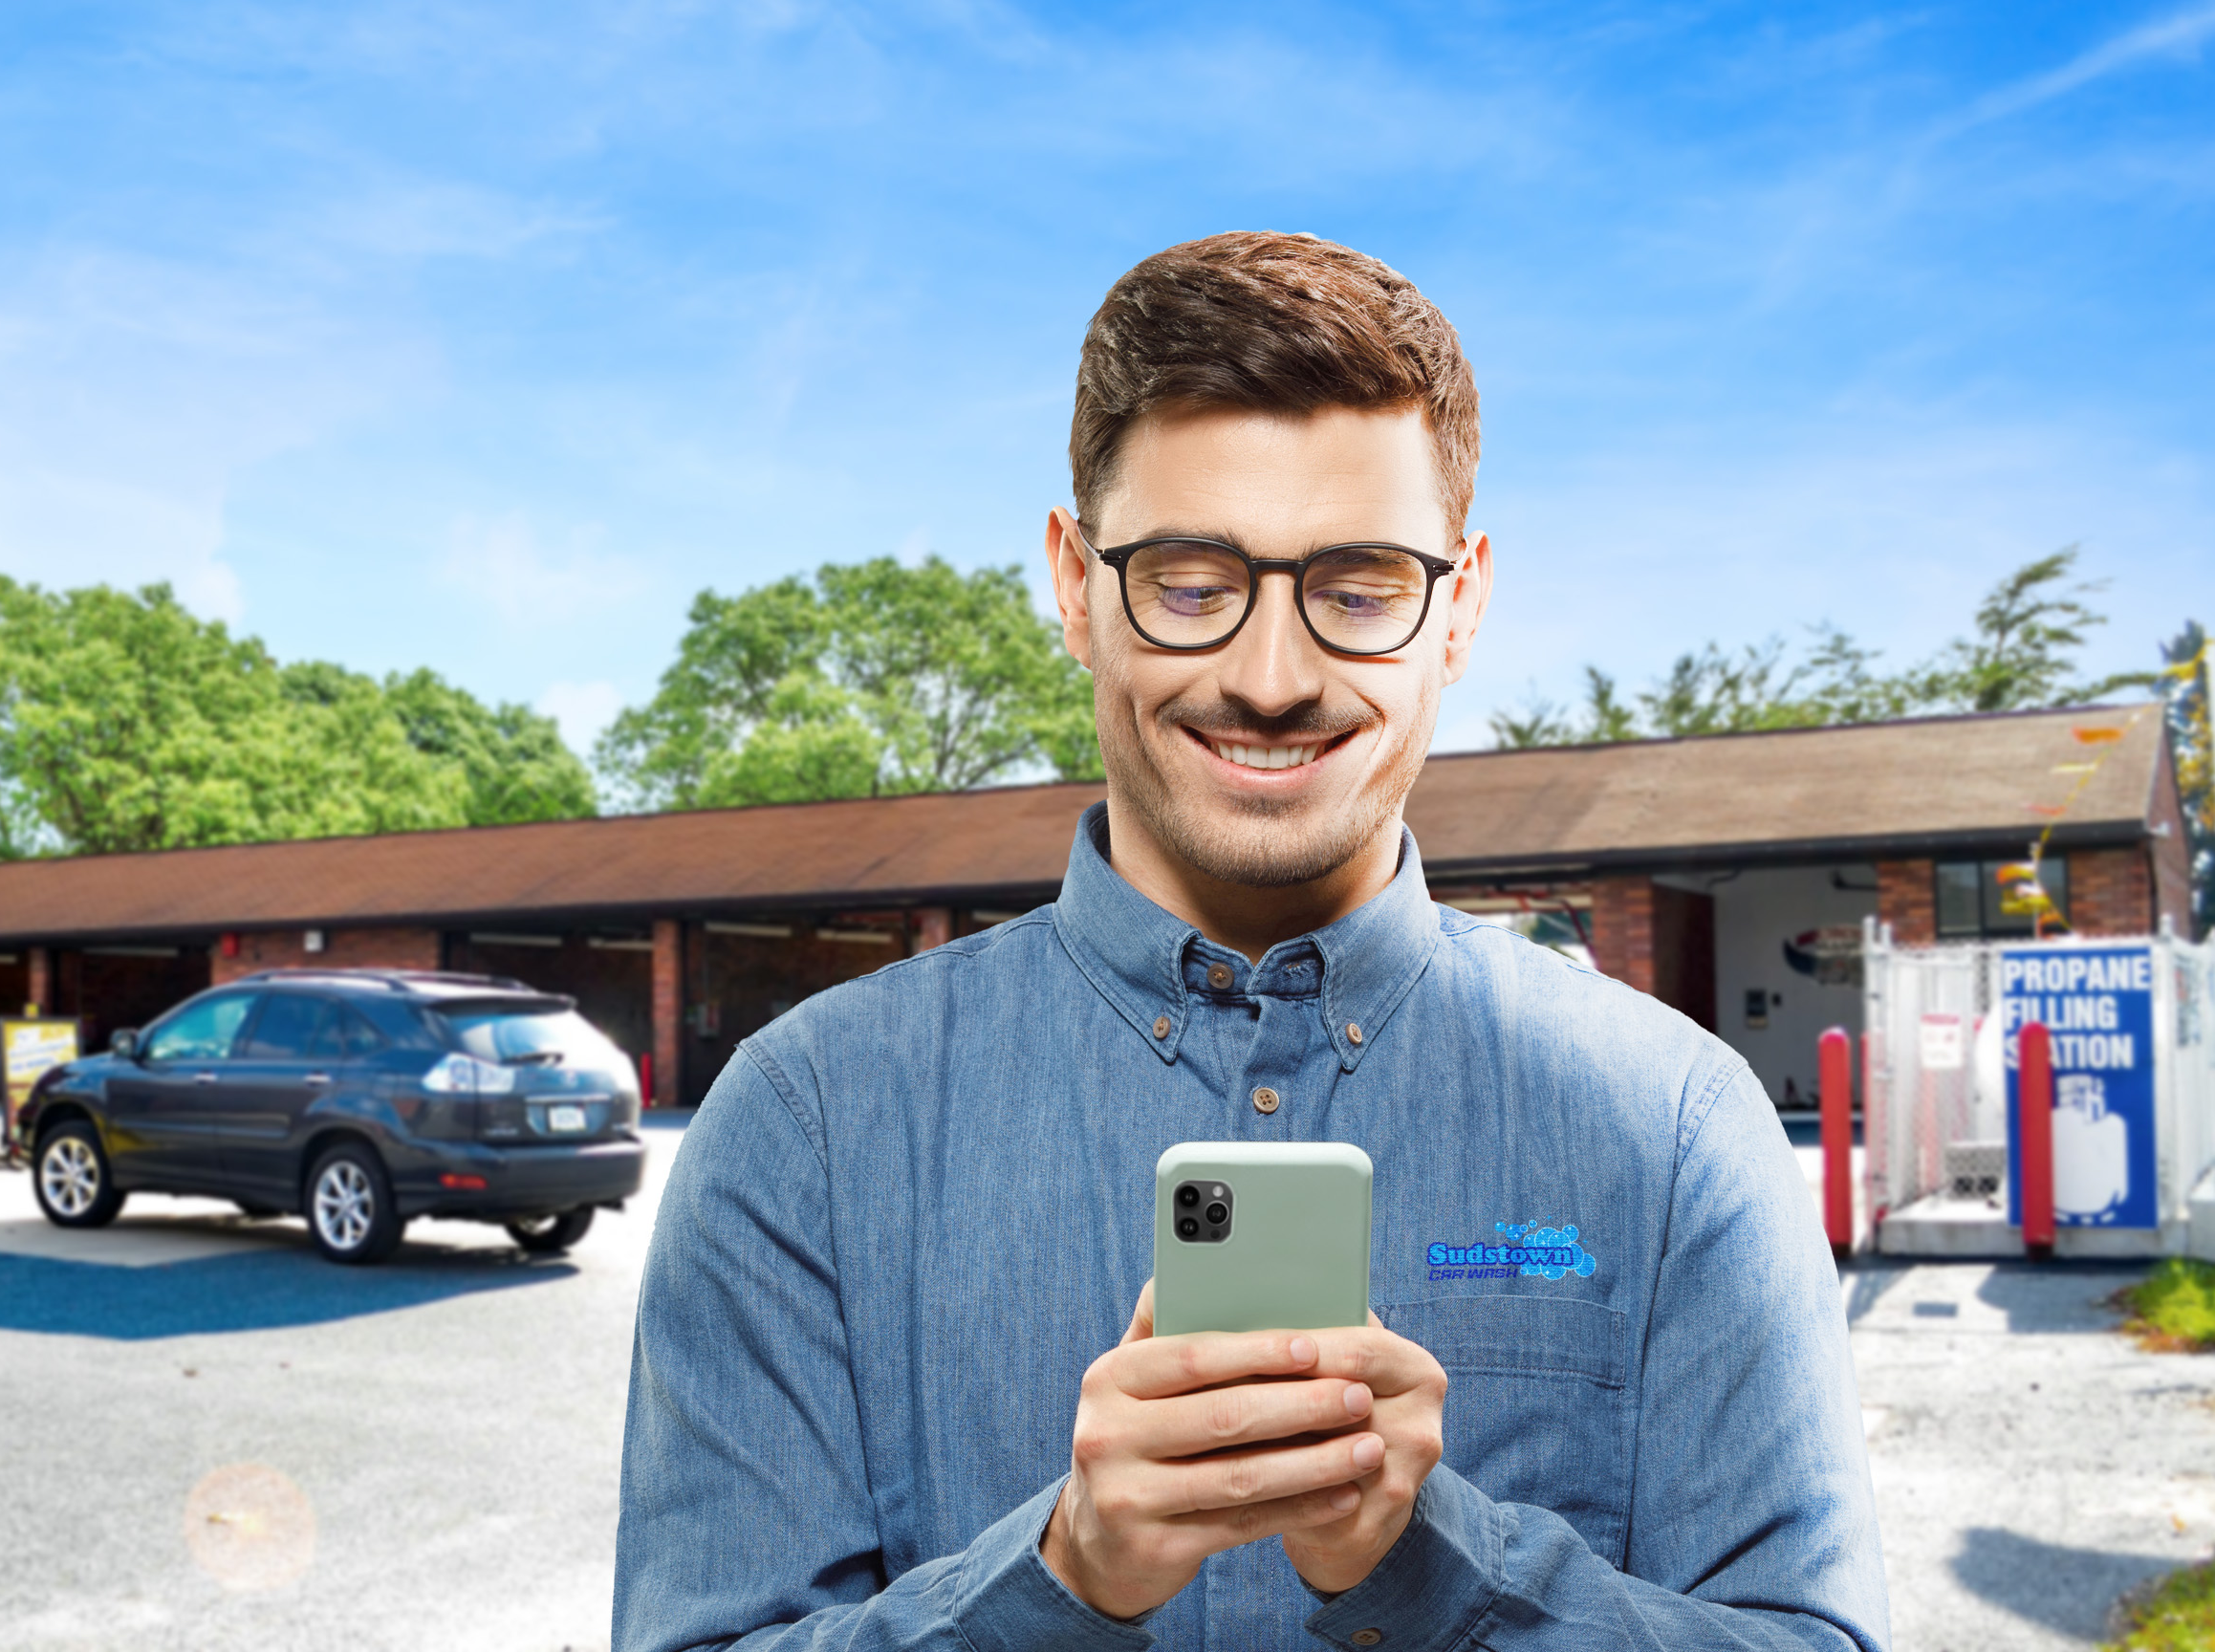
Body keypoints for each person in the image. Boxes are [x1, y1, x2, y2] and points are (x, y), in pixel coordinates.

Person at [616, 232, 1887, 1651]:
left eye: (1354, 588)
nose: (1270, 680)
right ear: (1072, 584)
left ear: (1457, 606)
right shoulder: (808, 1126)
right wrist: (1058, 1581)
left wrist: (1429, 1556)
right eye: (1186, 577)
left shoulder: (1674, 1127)